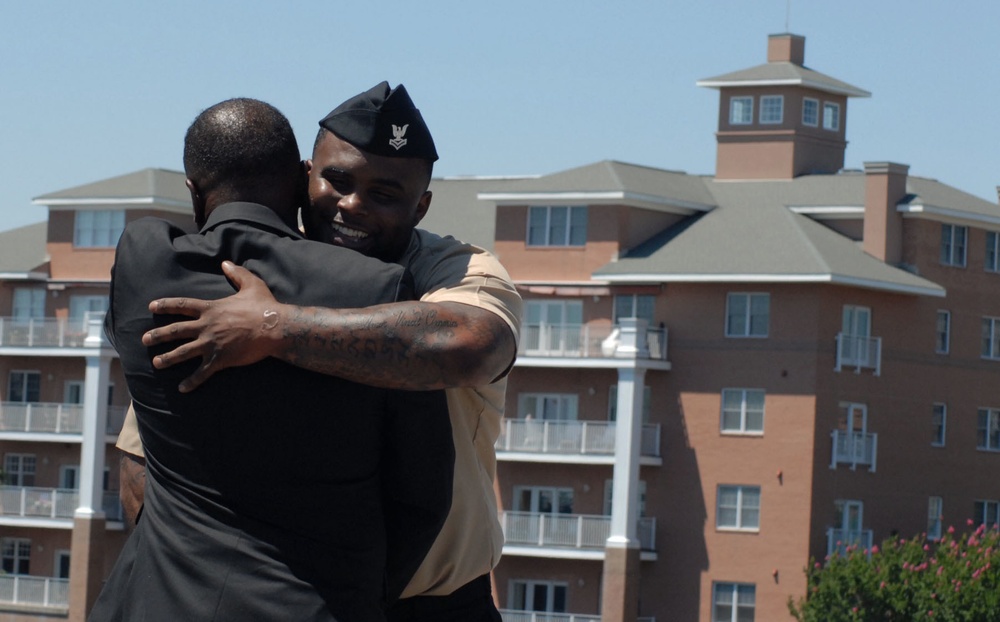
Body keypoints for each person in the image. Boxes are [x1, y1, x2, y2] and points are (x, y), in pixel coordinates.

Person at [120, 82, 522, 622]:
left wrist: (275, 326)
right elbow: (144, 459)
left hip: (431, 606)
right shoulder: (242, 263)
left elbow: (471, 345)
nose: (352, 205)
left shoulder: (453, 269)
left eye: (385, 193)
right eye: (337, 180)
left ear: (421, 206)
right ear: (303, 174)